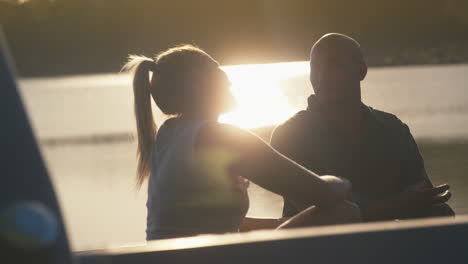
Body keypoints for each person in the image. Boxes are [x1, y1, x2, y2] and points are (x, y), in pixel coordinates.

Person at [122, 44, 360, 240]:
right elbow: (323, 193)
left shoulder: (168, 135)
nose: (228, 78)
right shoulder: (219, 137)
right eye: (217, 68)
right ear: (199, 81)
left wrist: (285, 223)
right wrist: (343, 182)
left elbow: (221, 223)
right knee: (344, 211)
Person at [270, 33, 454, 222]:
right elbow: (320, 216)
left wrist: (422, 205)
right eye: (314, 67)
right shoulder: (289, 135)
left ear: (361, 71)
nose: (321, 77)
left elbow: (422, 198)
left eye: (334, 66)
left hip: (390, 246)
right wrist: (398, 205)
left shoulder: (393, 129)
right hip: (317, 248)